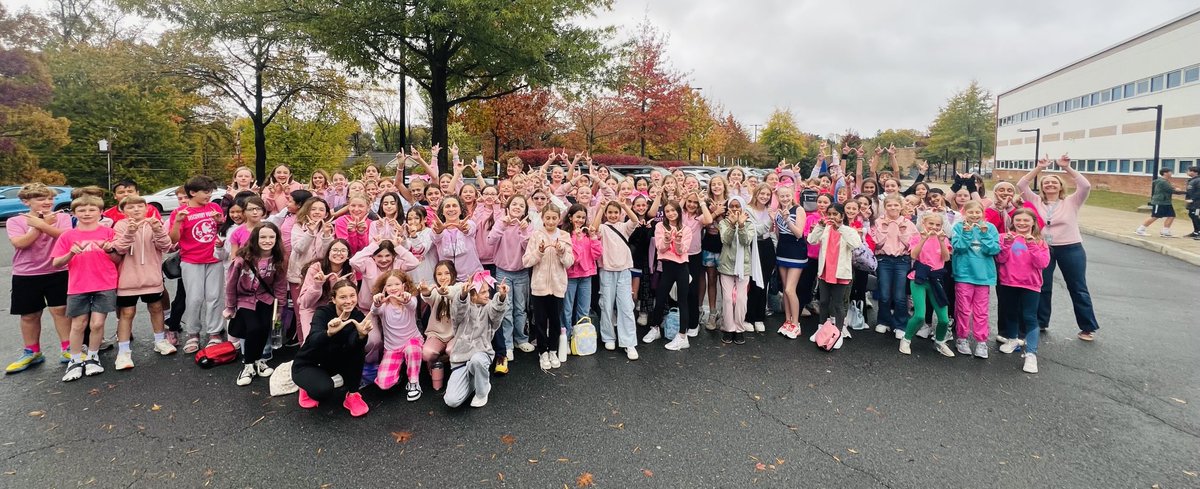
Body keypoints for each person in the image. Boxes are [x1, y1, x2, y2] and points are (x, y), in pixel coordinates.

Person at [1017, 155, 1100, 341]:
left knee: (1077, 287)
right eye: (1046, 182)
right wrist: (1039, 168)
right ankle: (1041, 321)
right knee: (1042, 286)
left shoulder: (1072, 201)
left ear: (1061, 186)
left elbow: (1085, 185)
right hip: (1043, 248)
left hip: (1070, 248)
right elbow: (1022, 185)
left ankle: (1087, 327)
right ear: (1042, 187)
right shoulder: (1035, 201)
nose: (1050, 185)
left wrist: (1067, 167)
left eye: (1054, 182)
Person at [5, 184, 74, 373]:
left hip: (58, 270)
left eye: (50, 198)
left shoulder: (62, 218)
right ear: (26, 201)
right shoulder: (15, 221)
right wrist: (37, 227)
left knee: (61, 310)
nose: (47, 202)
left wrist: (42, 224)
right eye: (40, 199)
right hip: (26, 274)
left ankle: (68, 349)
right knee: (29, 315)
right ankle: (32, 352)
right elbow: (20, 244)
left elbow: (66, 238)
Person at [52, 195, 120, 381]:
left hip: (105, 283)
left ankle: (92, 356)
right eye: (82, 210)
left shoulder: (109, 232)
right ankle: (75, 360)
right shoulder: (67, 235)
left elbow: (118, 260)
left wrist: (109, 250)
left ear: (100, 212)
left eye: (92, 210)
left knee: (97, 323)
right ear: (74, 213)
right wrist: (69, 254)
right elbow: (57, 263)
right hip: (78, 285)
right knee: (78, 324)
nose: (87, 213)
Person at [111, 196, 177, 369]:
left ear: (146, 208)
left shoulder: (155, 223)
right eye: (131, 207)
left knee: (156, 308)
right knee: (127, 312)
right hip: (127, 279)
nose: (136, 210)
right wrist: (130, 233)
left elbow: (166, 246)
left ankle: (160, 340)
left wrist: (158, 230)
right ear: (123, 210)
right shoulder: (120, 225)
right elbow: (119, 248)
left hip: (151, 276)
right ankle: (123, 352)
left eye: (140, 206)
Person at [293, 280, 372, 416]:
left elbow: (354, 346)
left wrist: (361, 335)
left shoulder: (358, 316)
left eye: (352, 296)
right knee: (323, 391)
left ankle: (353, 395)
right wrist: (328, 332)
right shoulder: (323, 312)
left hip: (335, 361)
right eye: (342, 297)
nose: (348, 301)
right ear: (333, 299)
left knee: (358, 350)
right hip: (310, 363)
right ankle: (305, 387)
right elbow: (313, 340)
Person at [169, 176, 226, 354]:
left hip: (214, 259)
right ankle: (193, 333)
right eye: (205, 192)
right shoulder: (180, 212)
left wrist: (219, 223)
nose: (209, 195)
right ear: (192, 192)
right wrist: (178, 221)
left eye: (210, 192)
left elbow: (220, 231)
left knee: (215, 297)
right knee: (194, 298)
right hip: (191, 260)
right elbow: (174, 240)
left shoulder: (214, 207)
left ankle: (214, 333)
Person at [224, 223, 286, 386]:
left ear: (277, 239)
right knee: (253, 329)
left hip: (266, 299)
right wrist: (230, 306)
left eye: (271, 237)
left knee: (264, 329)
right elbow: (231, 283)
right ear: (255, 239)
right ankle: (248, 365)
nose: (267, 240)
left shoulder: (278, 258)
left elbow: (280, 284)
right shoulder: (243, 258)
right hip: (245, 299)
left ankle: (259, 361)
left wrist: (279, 308)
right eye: (263, 237)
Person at [996, 209, 1051, 374]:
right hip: (1008, 281)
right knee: (1010, 312)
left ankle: (1031, 354)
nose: (1022, 223)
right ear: (1013, 222)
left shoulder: (1040, 241)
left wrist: (1032, 245)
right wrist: (1006, 244)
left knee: (1029, 317)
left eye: (1026, 220)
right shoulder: (1004, 237)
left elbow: (1042, 264)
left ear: (1033, 222)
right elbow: (1000, 259)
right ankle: (1013, 340)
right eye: (1018, 220)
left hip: (1030, 284)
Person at [444, 273, 510, 409]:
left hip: (481, 354)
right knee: (452, 401)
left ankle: (482, 392)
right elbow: (457, 311)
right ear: (473, 295)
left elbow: (496, 312)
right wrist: (462, 295)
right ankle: (475, 381)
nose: (487, 295)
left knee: (477, 360)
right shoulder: (465, 308)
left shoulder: (489, 307)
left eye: (488, 291)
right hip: (461, 360)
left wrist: (502, 297)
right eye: (483, 292)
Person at [523, 206, 574, 370]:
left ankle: (553, 350)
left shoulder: (565, 236)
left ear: (559, 219)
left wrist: (562, 252)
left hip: (558, 285)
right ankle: (542, 351)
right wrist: (539, 252)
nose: (551, 221)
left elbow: (570, 262)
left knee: (555, 320)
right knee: (540, 320)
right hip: (539, 286)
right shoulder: (536, 235)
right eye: (548, 218)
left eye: (554, 218)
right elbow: (526, 261)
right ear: (543, 218)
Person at [899, 213, 955, 358]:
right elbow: (913, 255)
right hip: (919, 278)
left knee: (943, 319)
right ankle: (906, 339)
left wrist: (942, 241)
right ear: (924, 223)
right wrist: (923, 239)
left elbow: (946, 258)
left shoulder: (943, 239)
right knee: (919, 315)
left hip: (936, 279)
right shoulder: (917, 237)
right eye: (931, 224)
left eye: (937, 225)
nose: (934, 227)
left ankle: (940, 342)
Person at [486, 195, 534, 360]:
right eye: (514, 203)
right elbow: (491, 240)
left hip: (521, 272)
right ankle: (507, 344)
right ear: (508, 206)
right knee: (505, 309)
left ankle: (521, 339)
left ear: (525, 210)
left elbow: (529, 248)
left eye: (521, 205)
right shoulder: (501, 222)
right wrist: (502, 224)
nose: (517, 207)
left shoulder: (528, 226)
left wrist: (524, 230)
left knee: (520, 308)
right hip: (503, 271)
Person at [950, 201, 1000, 358]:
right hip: (964, 274)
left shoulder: (990, 228)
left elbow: (993, 249)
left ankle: (981, 341)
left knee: (981, 311)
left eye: (977, 212)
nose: (974, 215)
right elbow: (958, 247)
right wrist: (966, 233)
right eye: (970, 212)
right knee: (963, 309)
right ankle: (962, 338)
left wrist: (985, 234)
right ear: (965, 213)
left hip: (983, 276)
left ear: (982, 213)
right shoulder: (959, 227)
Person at [806, 203, 863, 339]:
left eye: (835, 214)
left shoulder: (848, 230)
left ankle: (837, 332)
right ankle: (821, 328)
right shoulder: (825, 229)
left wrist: (840, 228)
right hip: (825, 271)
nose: (831, 217)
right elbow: (811, 240)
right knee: (824, 301)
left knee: (838, 304)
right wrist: (820, 226)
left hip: (841, 272)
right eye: (829, 214)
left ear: (842, 216)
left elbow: (856, 244)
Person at [645, 201, 692, 351]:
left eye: (673, 210)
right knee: (660, 298)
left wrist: (677, 241)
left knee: (683, 301)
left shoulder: (686, 229)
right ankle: (655, 328)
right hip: (666, 267)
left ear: (678, 211)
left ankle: (682, 336)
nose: (671, 213)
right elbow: (660, 248)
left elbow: (681, 251)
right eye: (667, 211)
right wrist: (666, 239)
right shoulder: (660, 227)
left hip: (681, 267)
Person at [370, 270, 423, 400]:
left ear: (403, 286)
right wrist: (377, 302)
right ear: (384, 288)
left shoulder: (410, 299)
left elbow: (412, 305)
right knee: (383, 384)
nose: (393, 288)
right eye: (389, 285)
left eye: (397, 284)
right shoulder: (383, 305)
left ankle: (414, 382)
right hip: (392, 348)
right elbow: (374, 310)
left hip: (412, 341)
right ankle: (400, 372)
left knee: (412, 349)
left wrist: (405, 299)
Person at [870, 194, 917, 337]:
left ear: (901, 207)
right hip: (884, 260)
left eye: (896, 205)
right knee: (884, 293)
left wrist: (902, 232)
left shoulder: (908, 223)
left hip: (902, 261)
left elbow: (912, 244)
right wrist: (885, 229)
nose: (893, 208)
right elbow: (876, 243)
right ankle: (883, 321)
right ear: (885, 207)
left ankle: (900, 324)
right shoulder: (878, 222)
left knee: (900, 295)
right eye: (889, 205)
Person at [716, 196, 759, 345]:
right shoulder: (723, 223)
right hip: (726, 266)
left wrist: (740, 226)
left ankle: (739, 329)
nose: (735, 209)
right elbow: (725, 240)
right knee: (728, 299)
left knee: (741, 299)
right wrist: (732, 225)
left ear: (742, 207)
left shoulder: (749, 224)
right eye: (732, 206)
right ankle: (729, 329)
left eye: (737, 206)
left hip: (744, 266)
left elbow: (746, 241)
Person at [296, 240, 354, 342]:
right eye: (335, 250)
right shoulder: (316, 268)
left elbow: (352, 299)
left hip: (335, 309)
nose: (338, 253)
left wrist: (341, 287)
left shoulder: (350, 271)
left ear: (348, 255)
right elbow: (305, 303)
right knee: (311, 341)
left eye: (343, 250)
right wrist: (317, 285)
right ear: (328, 253)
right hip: (312, 308)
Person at [562, 204, 602, 350]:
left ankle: (581, 338)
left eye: (583, 217)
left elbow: (597, 254)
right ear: (570, 217)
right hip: (571, 275)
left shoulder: (587, 233)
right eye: (577, 217)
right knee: (567, 309)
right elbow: (574, 258)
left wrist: (593, 237)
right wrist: (577, 240)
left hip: (586, 275)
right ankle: (565, 338)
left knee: (583, 309)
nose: (580, 220)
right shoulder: (565, 234)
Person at [420, 261, 458, 391]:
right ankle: (435, 365)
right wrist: (425, 292)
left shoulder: (459, 287)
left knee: (451, 350)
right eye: (439, 274)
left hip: (455, 334)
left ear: (453, 274)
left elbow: (456, 294)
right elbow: (428, 297)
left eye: (447, 273)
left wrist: (446, 291)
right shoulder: (434, 290)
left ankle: (456, 371)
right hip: (436, 334)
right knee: (427, 353)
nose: (443, 277)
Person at [1136, 168, 1184, 237]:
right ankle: (1140, 230)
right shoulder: (1162, 182)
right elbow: (1171, 190)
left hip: (1167, 202)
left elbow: (1171, 189)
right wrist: (1179, 190)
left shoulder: (1166, 181)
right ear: (1165, 173)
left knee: (1171, 216)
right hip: (1160, 202)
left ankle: (1165, 231)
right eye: (1170, 172)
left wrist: (1177, 190)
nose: (1171, 173)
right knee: (1155, 216)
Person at [1186, 166, 1200, 239]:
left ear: (1195, 172)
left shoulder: (1198, 180)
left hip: (1197, 203)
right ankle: (1196, 231)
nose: (1187, 172)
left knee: (1195, 216)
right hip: (1192, 203)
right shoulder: (1192, 180)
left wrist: (1193, 199)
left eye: (1189, 171)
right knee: (1192, 215)